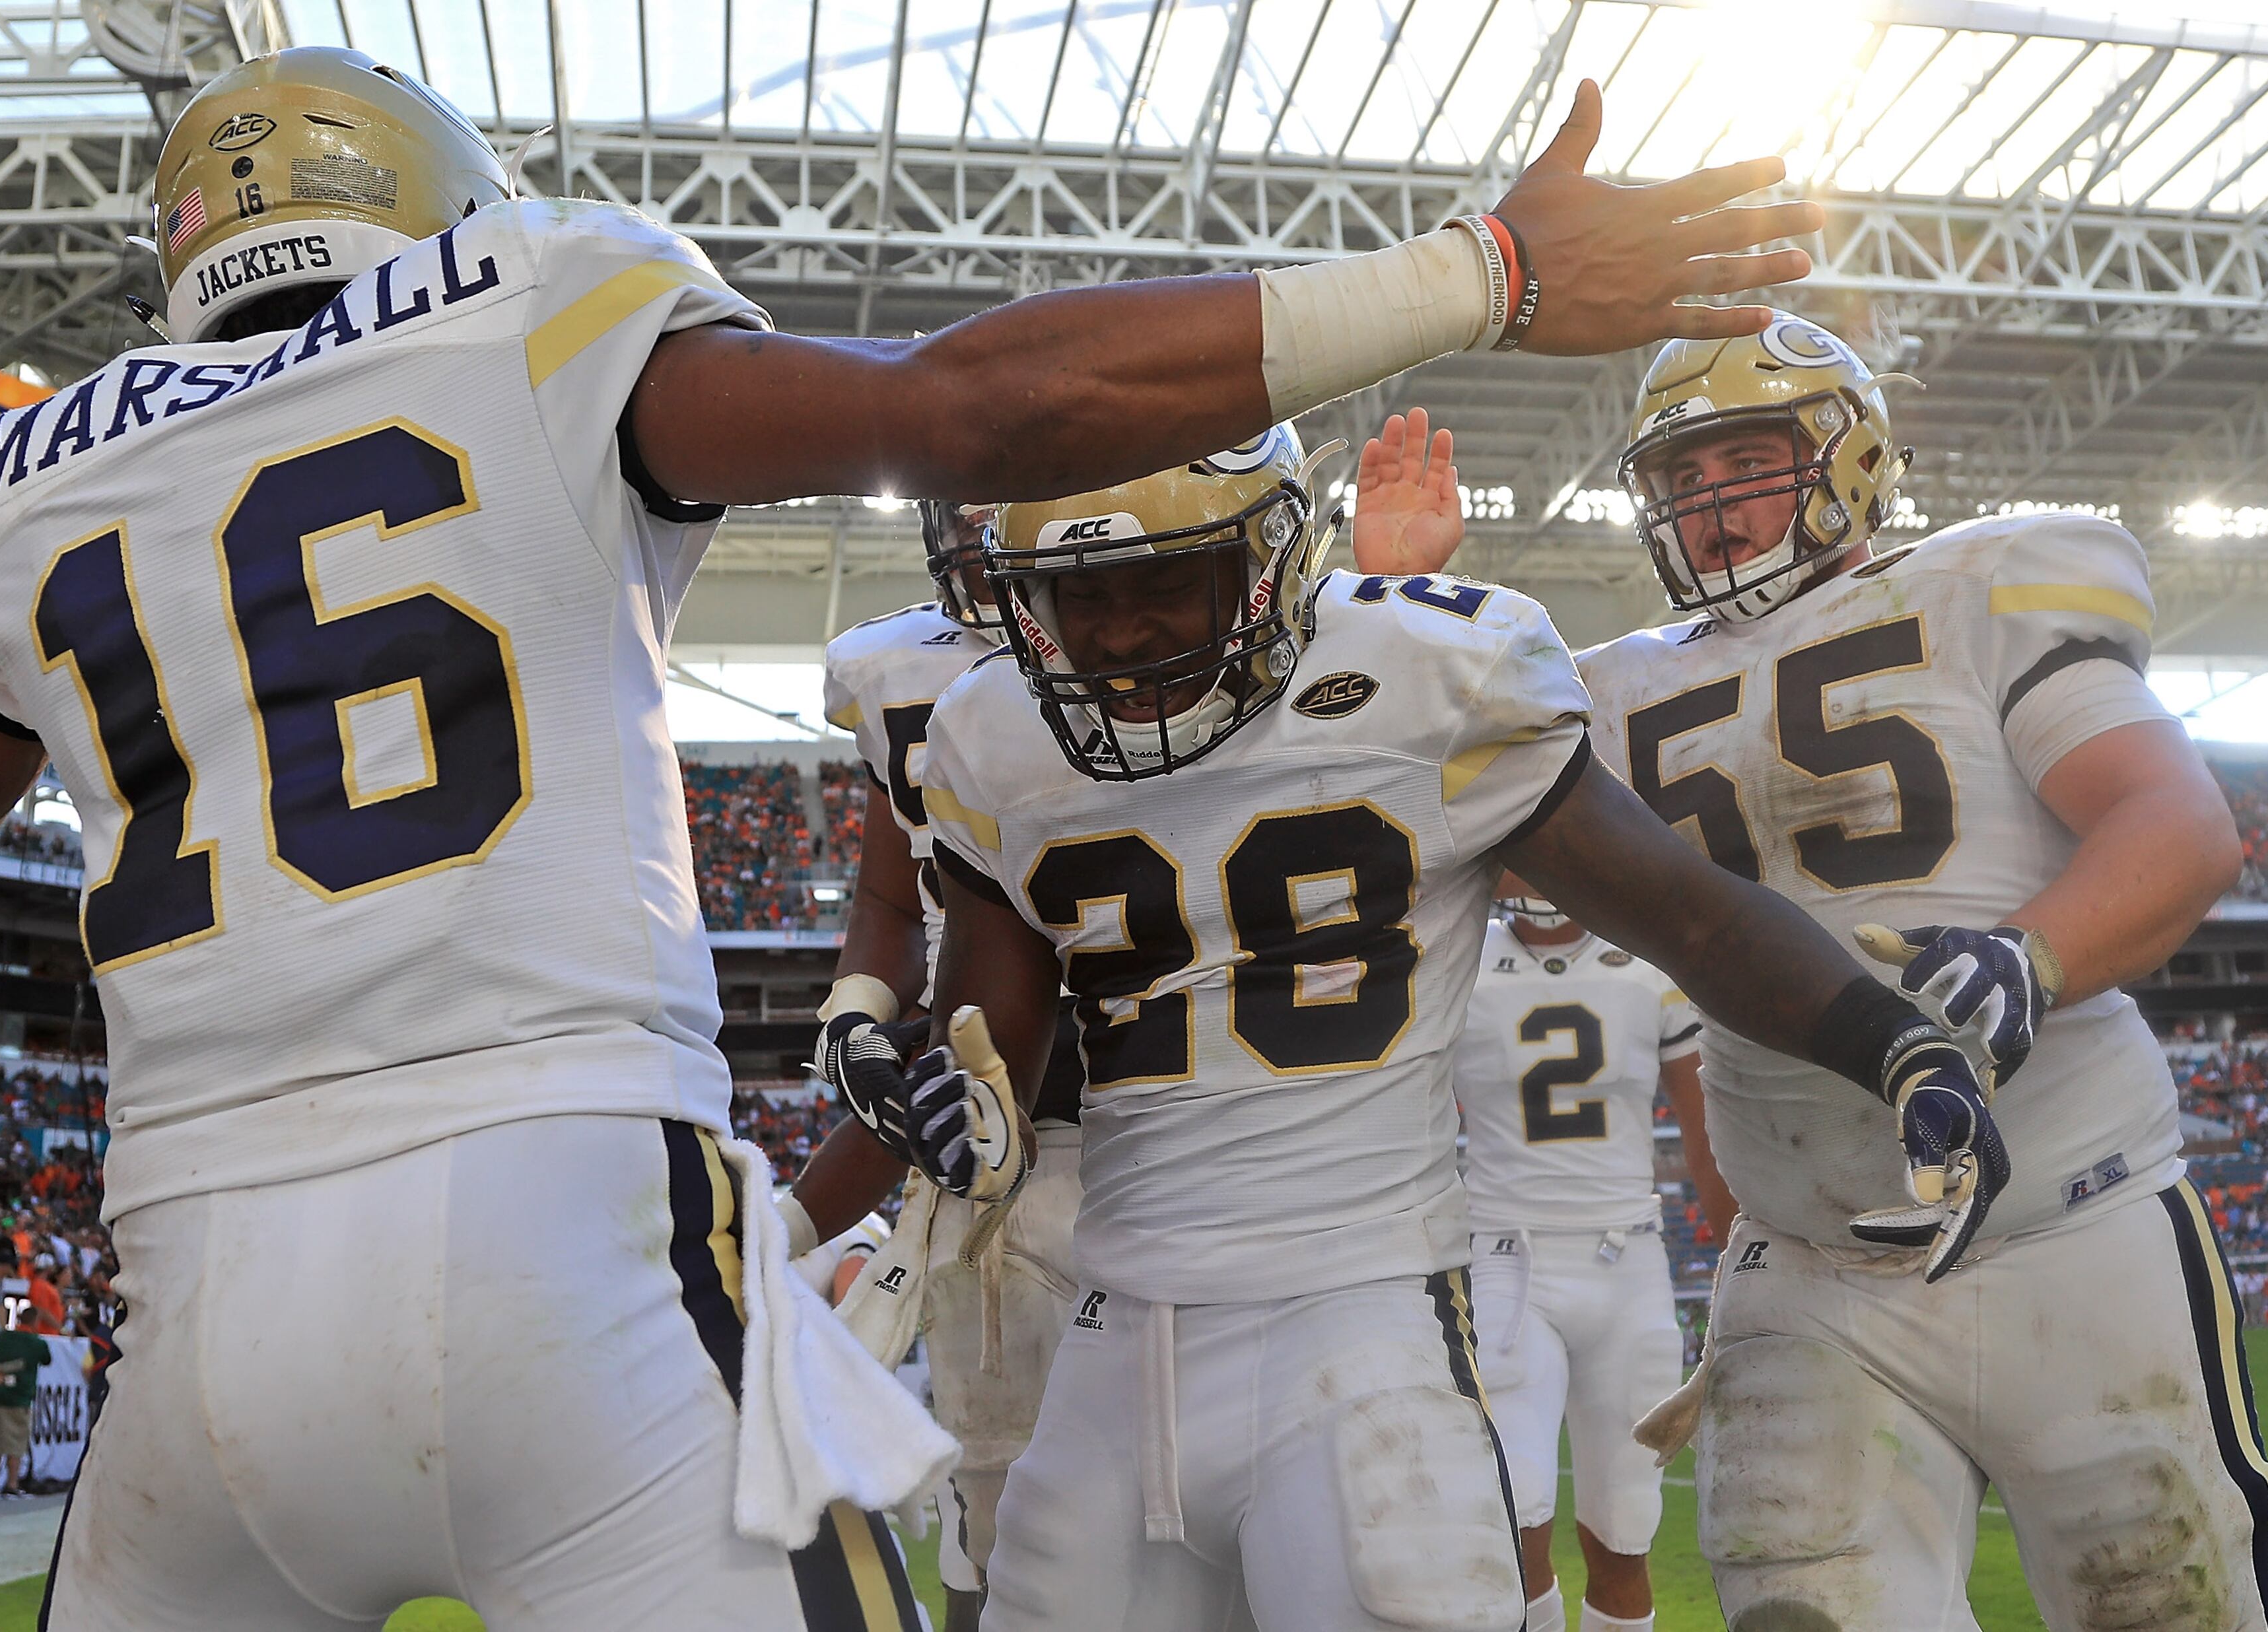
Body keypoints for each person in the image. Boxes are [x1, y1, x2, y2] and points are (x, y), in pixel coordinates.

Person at [0, 42, 1818, 1631]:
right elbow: (964, 415)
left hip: (191, 1326)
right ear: (430, 202)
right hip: (558, 1251)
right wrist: (1484, 271)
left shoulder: (18, 489)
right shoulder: (527, 302)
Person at [837, 419, 2003, 1632]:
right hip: (1109, 1333)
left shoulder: (1428, 669)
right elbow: (991, 1029)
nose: (1118, 630)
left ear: (1273, 560)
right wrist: (959, 1104)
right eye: (1077, 596)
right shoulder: (995, 730)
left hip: (1360, 1325)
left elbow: (1691, 919)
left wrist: (1895, 1042)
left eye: (1162, 581)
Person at [1567, 314, 2268, 1625]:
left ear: (1846, 457)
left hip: (2071, 1223)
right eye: (1679, 480)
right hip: (1805, 1259)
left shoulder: (1981, 586)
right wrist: (1406, 607)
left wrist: (2033, 956)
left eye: (1740, 462)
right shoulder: (1612, 688)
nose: (1707, 506)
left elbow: (2178, 826)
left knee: (2166, 1603)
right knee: (1803, 1606)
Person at [792, 498, 1087, 1631]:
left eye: (997, 497)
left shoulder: (1134, 631)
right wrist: (855, 1014)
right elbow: (884, 895)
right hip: (980, 1126)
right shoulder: (891, 668)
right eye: (952, 503)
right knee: (989, 1494)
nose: (970, 529)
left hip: (1136, 1107)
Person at [1455, 879, 1727, 1632]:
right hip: (1507, 1267)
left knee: (1625, 1532)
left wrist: (1747, 1276)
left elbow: (1711, 1143)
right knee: (1513, 1515)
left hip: (1628, 1266)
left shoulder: (1653, 968)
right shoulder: (1455, 963)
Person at [0, 1310, 49, 1498]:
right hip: (19, 1398)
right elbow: (46, 1359)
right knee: (16, 1445)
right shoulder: (36, 1343)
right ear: (36, 1320)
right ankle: (12, 1483)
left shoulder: (4, 1338)